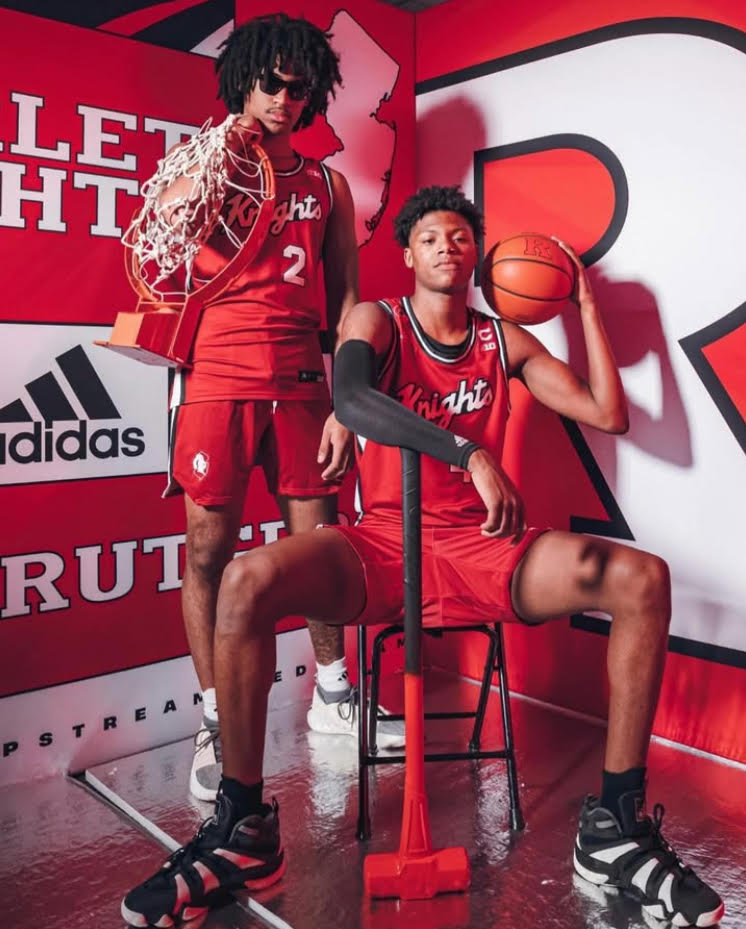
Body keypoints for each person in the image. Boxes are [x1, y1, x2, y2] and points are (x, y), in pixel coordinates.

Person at [122, 186, 724, 929]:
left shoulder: (503, 338)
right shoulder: (377, 320)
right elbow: (348, 395)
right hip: (383, 545)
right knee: (245, 579)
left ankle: (614, 830)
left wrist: (585, 309)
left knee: (643, 578)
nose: (448, 246)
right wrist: (467, 449)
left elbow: (608, 412)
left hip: (480, 548)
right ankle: (245, 830)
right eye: (432, 237)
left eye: (461, 237)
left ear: (476, 257)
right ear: (408, 254)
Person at [159, 12, 404, 805]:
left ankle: (333, 696)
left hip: (303, 379)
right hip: (217, 375)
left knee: (318, 548)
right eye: (271, 83)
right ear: (243, 81)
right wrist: (223, 152)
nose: (284, 99)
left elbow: (350, 306)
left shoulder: (328, 185)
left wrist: (348, 402)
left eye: (299, 89)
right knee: (208, 547)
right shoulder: (205, 168)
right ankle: (214, 716)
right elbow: (167, 242)